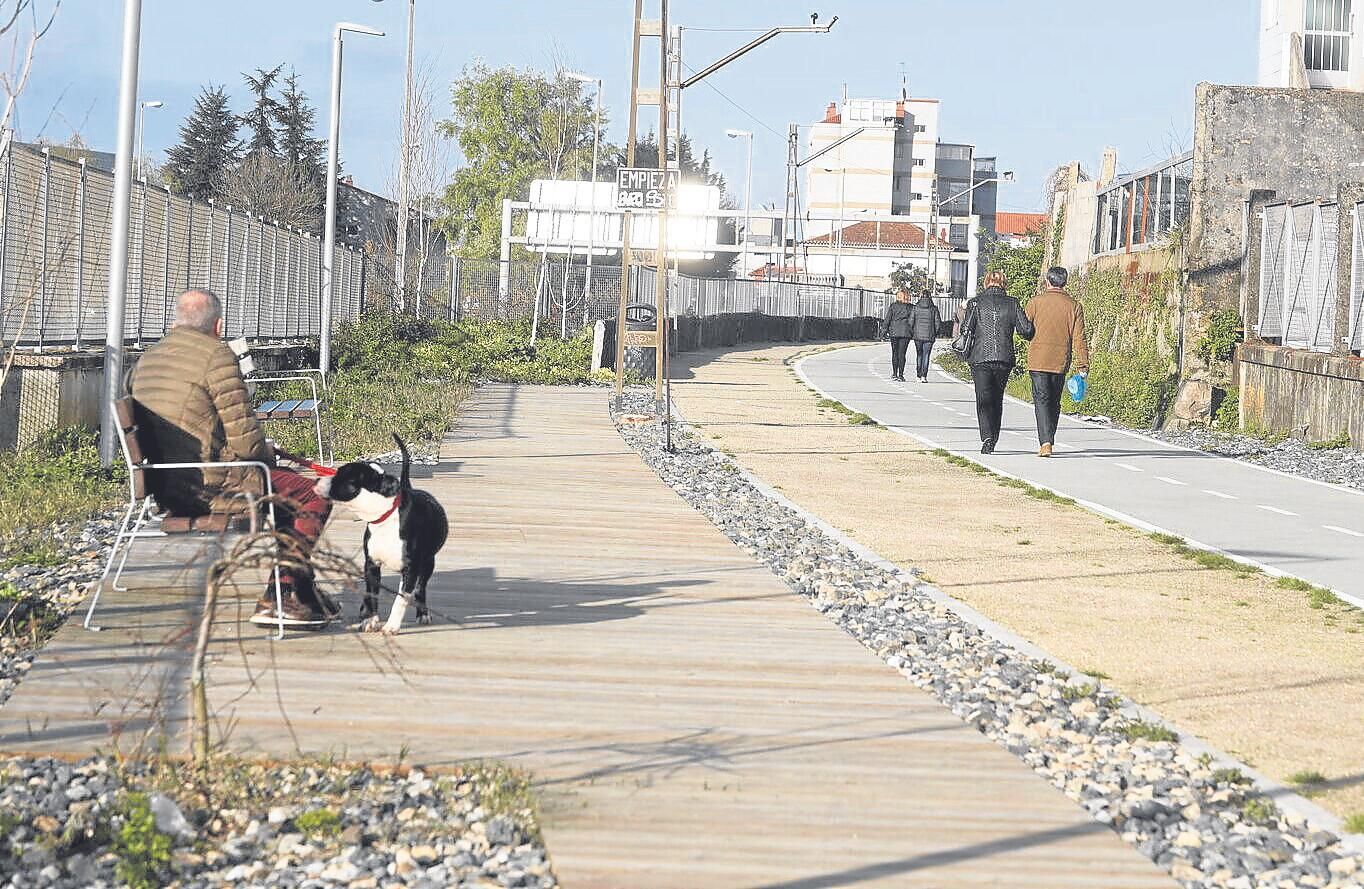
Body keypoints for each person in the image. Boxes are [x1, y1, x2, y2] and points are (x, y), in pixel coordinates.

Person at [129, 289, 337, 628]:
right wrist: (268, 455)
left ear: (175, 322)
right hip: (211, 487)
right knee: (312, 495)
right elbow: (245, 440)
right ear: (218, 325)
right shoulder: (216, 355)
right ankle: (282, 595)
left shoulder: (147, 359)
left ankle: (299, 591)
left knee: (283, 490)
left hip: (167, 487)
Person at [961, 270, 1034, 454]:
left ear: (986, 283)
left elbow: (965, 329)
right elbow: (1026, 330)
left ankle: (986, 437)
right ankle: (994, 437)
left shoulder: (975, 303)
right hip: (1004, 357)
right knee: (997, 399)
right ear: (1004, 283)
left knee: (983, 399)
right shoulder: (1012, 303)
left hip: (980, 357)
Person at [1024, 267, 1090, 457]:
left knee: (1041, 400)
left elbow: (1025, 329)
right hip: (1060, 361)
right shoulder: (1074, 306)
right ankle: (1048, 438)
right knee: (1054, 401)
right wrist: (1083, 364)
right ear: (1065, 282)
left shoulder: (1035, 302)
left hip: (1037, 360)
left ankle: (1045, 441)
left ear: (1047, 282)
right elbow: (1079, 338)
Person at [879, 288, 914, 382]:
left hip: (894, 332)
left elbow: (888, 319)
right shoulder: (911, 307)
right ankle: (901, 375)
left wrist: (883, 332)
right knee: (902, 354)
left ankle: (894, 373)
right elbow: (913, 321)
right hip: (905, 333)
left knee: (895, 353)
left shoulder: (893, 306)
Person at [907, 289, 941, 382]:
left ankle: (918, 375)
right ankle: (924, 376)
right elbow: (937, 323)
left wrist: (913, 331)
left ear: (921, 296)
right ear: (930, 296)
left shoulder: (916, 308)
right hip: (929, 336)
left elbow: (910, 321)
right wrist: (935, 333)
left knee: (919, 355)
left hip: (917, 336)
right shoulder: (934, 308)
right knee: (926, 355)